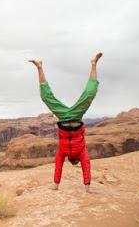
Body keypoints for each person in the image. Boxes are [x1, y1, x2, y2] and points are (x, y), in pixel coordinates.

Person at [28, 52, 103, 193]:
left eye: (74, 162)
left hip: (63, 117)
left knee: (46, 97)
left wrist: (56, 185)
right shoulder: (82, 152)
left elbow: (58, 165)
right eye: (76, 163)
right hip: (75, 116)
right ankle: (93, 64)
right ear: (76, 161)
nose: (75, 162)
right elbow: (86, 166)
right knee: (89, 94)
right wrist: (87, 187)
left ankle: (39, 67)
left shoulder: (63, 152)